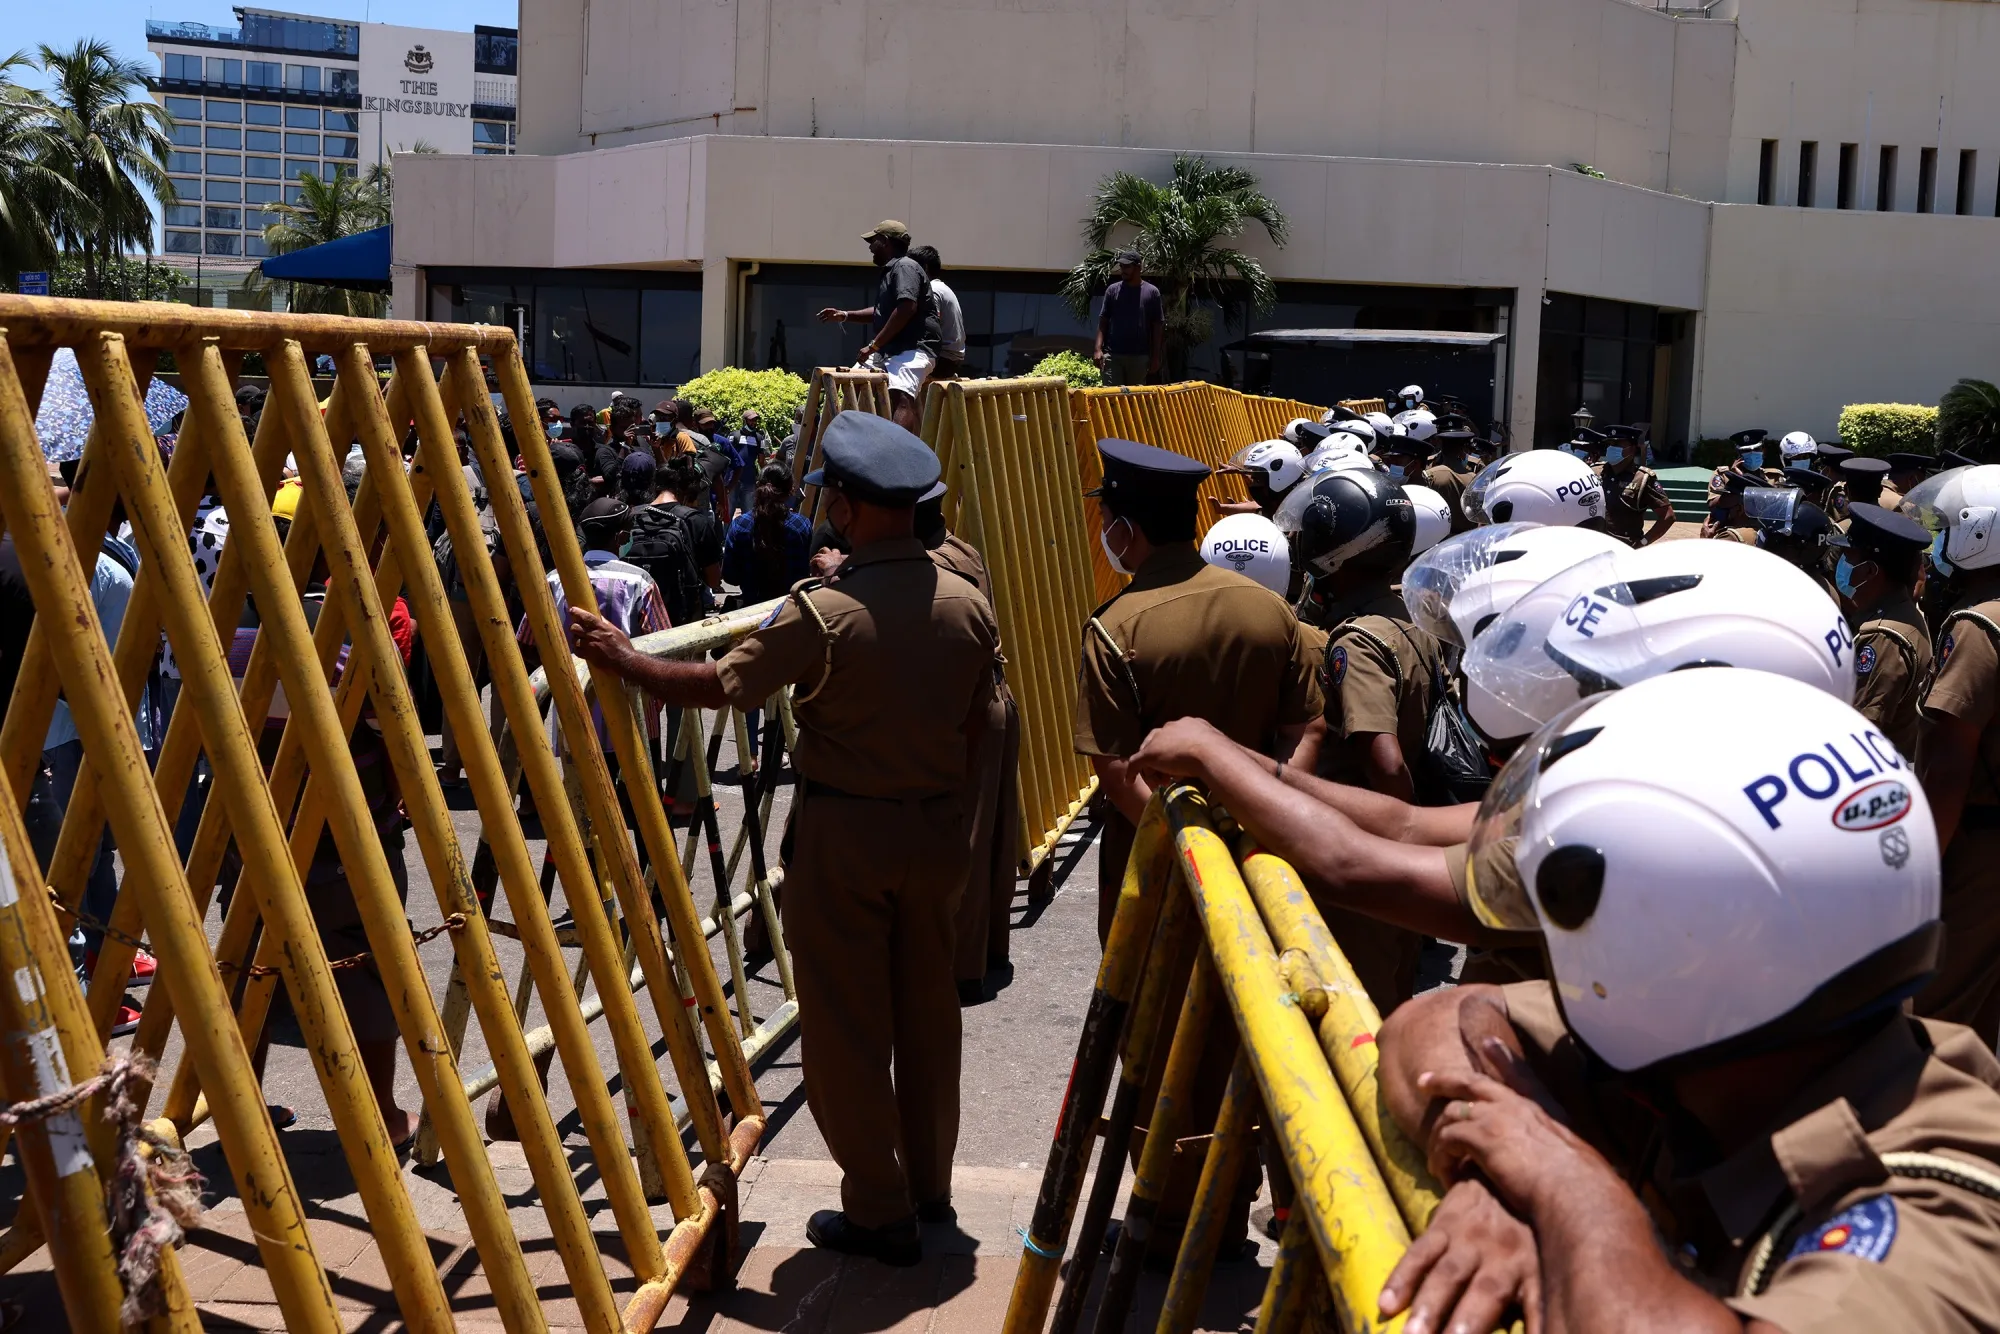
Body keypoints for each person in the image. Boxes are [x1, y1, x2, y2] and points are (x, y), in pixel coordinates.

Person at [1371, 668, 2000, 1334]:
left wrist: (1565, 1186)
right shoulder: (1728, 1064)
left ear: (1683, 962)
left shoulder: (1938, 1210)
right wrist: (1496, 1172)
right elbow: (1437, 1021)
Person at [566, 411, 1000, 1267]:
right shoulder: (966, 602)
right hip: (938, 829)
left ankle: (878, 1209)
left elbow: (719, 685)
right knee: (927, 1016)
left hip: (846, 834)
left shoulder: (825, 613)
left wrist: (626, 659)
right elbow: (983, 720)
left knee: (843, 1029)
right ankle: (929, 1189)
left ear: (847, 506)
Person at [1075, 437, 1323, 942]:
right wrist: (1268, 815)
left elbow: (1117, 771)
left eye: (1106, 518)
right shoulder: (1272, 610)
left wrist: (1190, 851)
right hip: (1259, 854)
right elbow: (1305, 731)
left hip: (1154, 863)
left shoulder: (1114, 627)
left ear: (1126, 529)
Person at [912, 481, 1021, 1003]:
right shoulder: (961, 549)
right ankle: (984, 955)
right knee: (990, 835)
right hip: (990, 701)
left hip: (967, 708)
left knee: (966, 842)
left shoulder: (931, 567)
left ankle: (960, 970)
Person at [1917, 465, 2000, 1044]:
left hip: (1976, 852)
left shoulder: (1977, 626)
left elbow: (1948, 767)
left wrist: (1916, 874)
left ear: (1980, 532)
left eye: (1947, 529)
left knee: (1936, 1018)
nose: (1939, 544)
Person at [1827, 502, 1933, 762]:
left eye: (1848, 557)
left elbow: (1860, 730)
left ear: (1869, 570)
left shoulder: (1883, 637)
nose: (1841, 564)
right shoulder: (1897, 613)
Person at [815, 220, 939, 432]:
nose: (870, 247)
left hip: (914, 348)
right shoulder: (894, 269)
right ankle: (855, 442)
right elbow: (882, 312)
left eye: (873, 241)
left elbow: (907, 308)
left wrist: (874, 345)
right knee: (852, 384)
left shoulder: (905, 267)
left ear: (886, 242)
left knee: (901, 396)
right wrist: (845, 315)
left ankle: (894, 450)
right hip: (891, 349)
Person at [722, 465, 814, 605]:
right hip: (791, 608)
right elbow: (806, 573)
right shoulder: (802, 525)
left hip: (751, 607)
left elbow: (730, 576)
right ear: (791, 490)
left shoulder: (740, 525)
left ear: (758, 486)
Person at [1593, 425, 1676, 546]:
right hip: (1593, 546)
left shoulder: (1642, 478)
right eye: (1610, 444)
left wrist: (1643, 543)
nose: (1611, 448)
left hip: (1624, 548)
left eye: (1617, 444)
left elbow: (1668, 516)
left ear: (1632, 449)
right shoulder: (1594, 471)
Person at [1092, 250, 1164, 386]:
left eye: (1127, 266)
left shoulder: (1152, 292)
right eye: (1121, 266)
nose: (1123, 270)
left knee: (1134, 397)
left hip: (1139, 357)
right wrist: (1097, 349)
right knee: (1112, 396)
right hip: (1113, 356)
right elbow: (1103, 321)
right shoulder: (1112, 290)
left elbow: (1157, 326)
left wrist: (1155, 357)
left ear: (1138, 267)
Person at [909, 245, 966, 380]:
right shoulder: (941, 287)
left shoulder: (932, 290)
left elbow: (931, 330)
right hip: (951, 358)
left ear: (924, 268)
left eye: (911, 268)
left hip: (943, 359)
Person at [1424, 427, 1482, 533]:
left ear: (1441, 445)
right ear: (1461, 449)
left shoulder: (1431, 475)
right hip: (1466, 535)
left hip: (1437, 534)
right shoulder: (1473, 478)